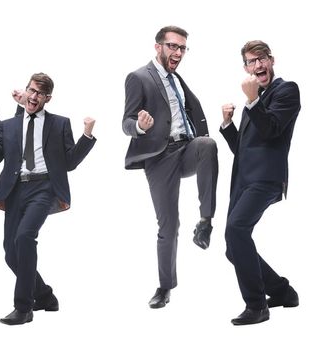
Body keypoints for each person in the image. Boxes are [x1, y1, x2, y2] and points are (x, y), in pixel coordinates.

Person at [0, 73, 96, 325]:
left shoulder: (59, 123)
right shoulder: (9, 125)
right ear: (26, 91)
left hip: (43, 188)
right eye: (31, 90)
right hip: (14, 190)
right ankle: (44, 295)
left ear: (47, 98)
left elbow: (69, 163)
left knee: (24, 238)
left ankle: (23, 308)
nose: (33, 96)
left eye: (40, 94)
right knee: (10, 253)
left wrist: (86, 135)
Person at [122, 25, 218, 308]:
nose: (178, 52)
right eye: (172, 46)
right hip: (160, 156)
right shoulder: (138, 77)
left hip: (186, 147)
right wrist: (139, 126)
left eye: (182, 48)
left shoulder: (177, 79)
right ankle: (165, 286)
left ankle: (205, 222)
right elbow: (126, 121)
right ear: (158, 47)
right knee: (169, 223)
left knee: (208, 144)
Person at [220, 40, 300, 326]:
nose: (258, 65)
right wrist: (228, 125)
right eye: (251, 62)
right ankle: (283, 292)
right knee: (233, 246)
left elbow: (272, 130)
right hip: (242, 180)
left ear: (271, 60)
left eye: (261, 59)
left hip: (266, 179)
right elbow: (244, 148)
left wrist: (252, 101)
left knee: (236, 229)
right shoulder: (254, 99)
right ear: (246, 68)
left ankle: (256, 306)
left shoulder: (286, 90)